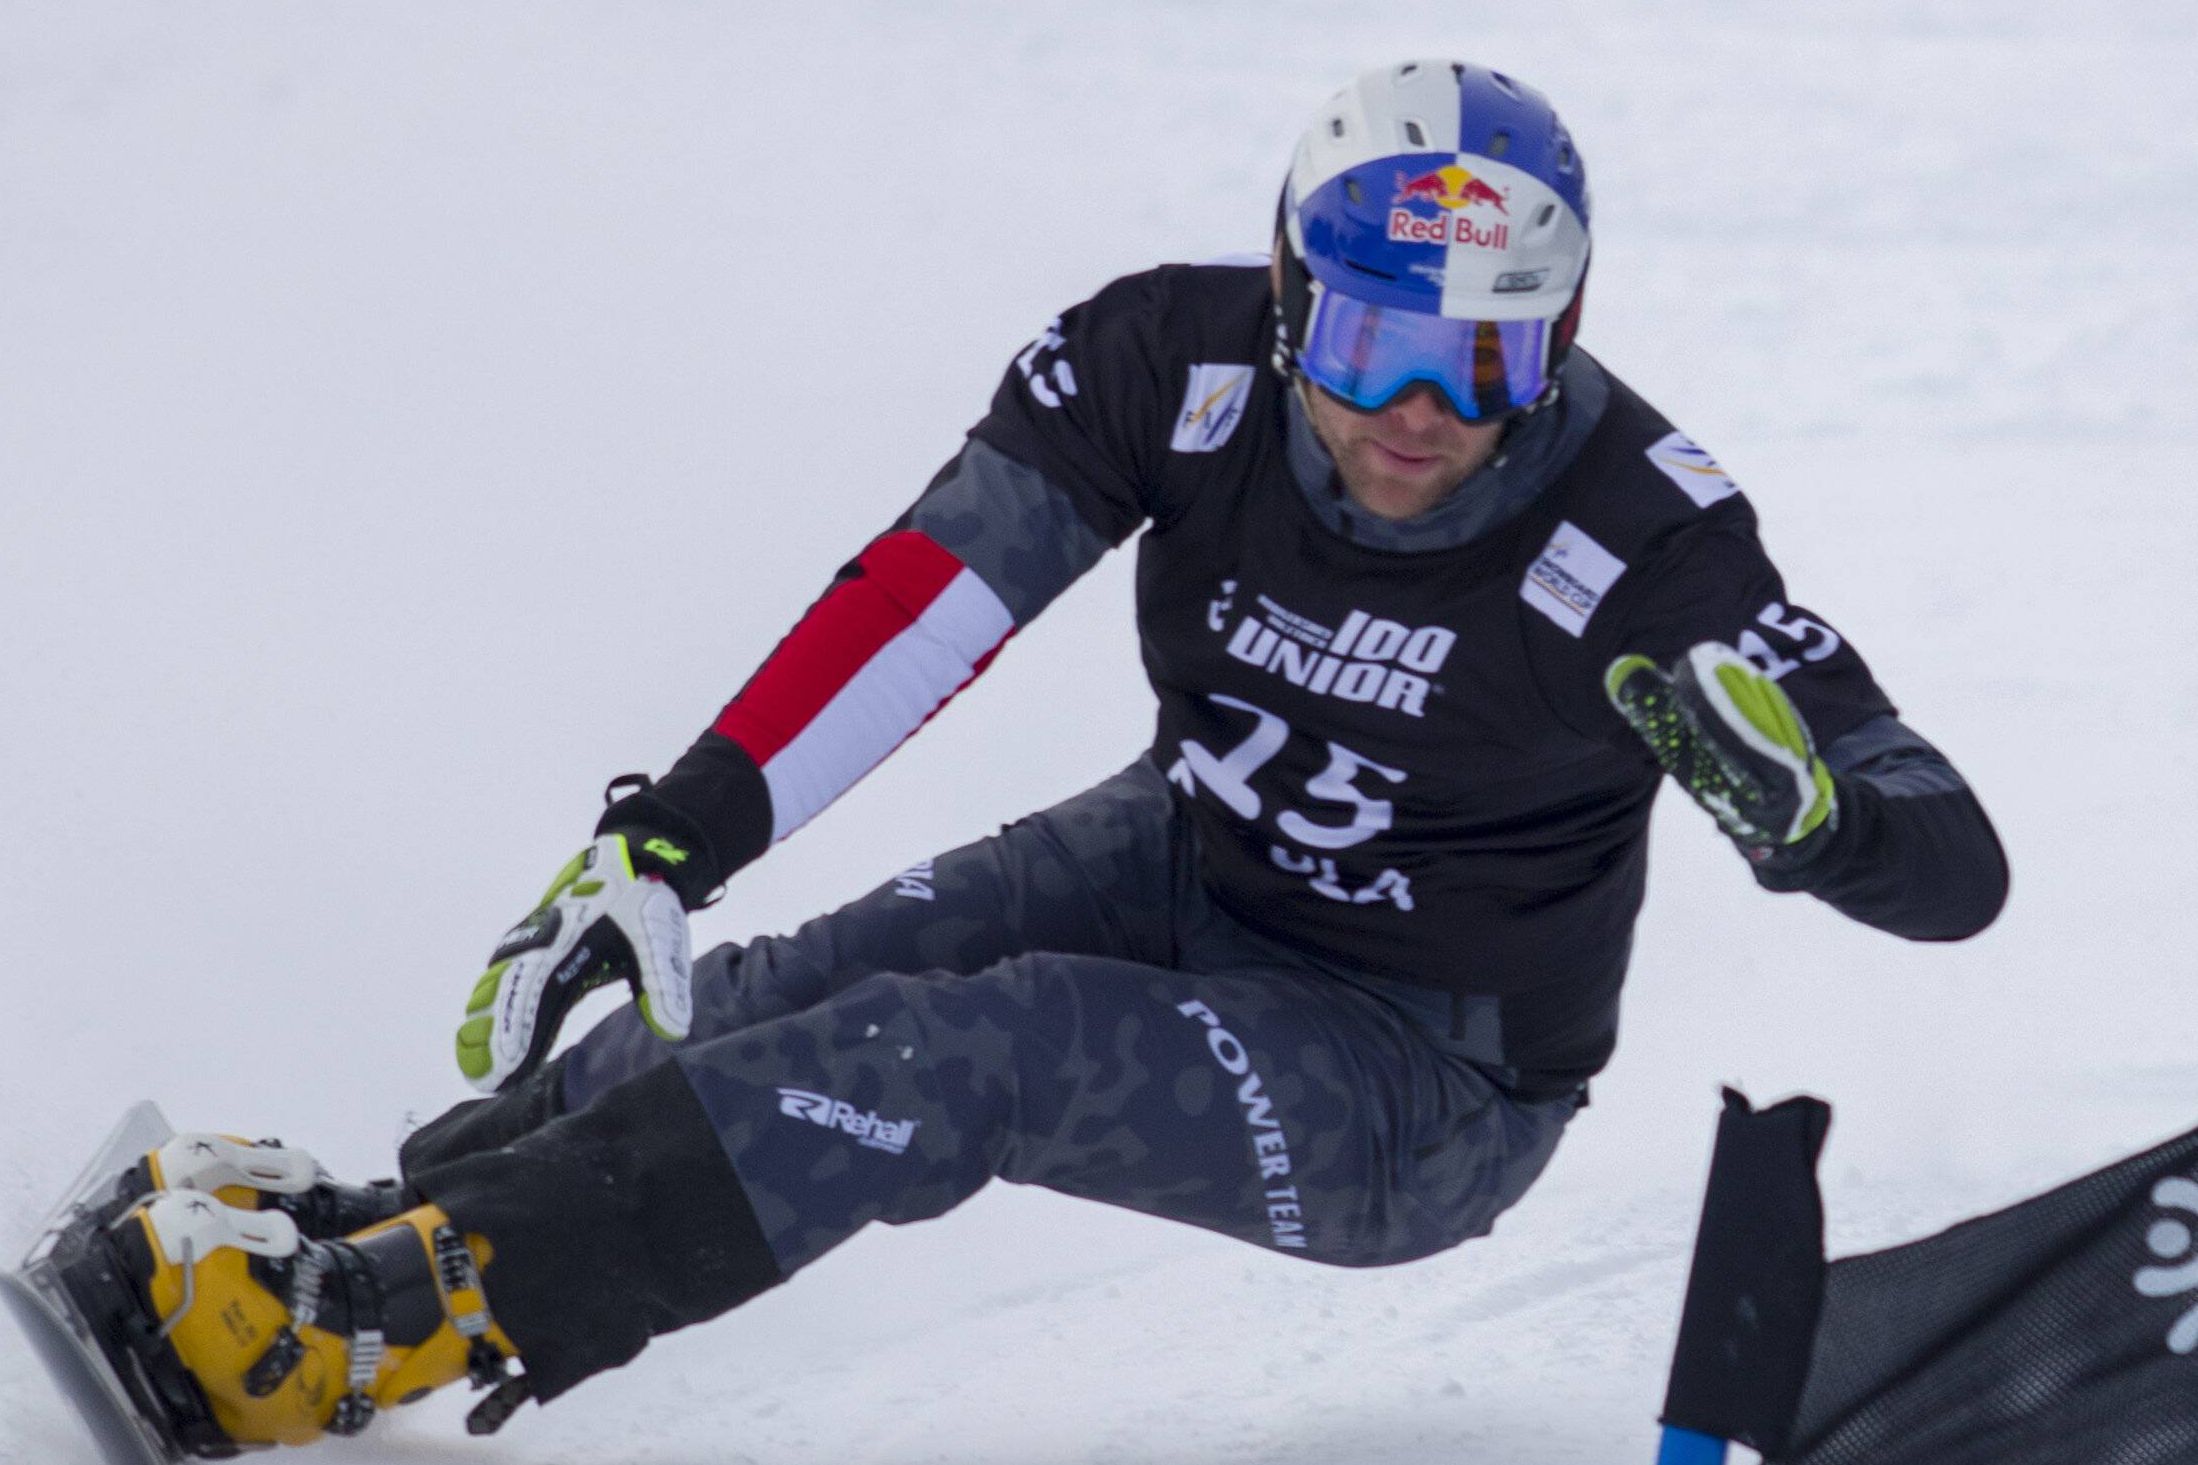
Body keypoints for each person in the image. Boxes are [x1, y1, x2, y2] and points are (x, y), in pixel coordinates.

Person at [92, 60, 2007, 1451]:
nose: (1418, 413)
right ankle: (382, 1232)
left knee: (951, 1060)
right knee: (779, 991)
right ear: (1286, 296)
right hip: (1187, 857)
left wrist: (1815, 818)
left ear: (1561, 341)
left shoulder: (1640, 537)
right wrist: (675, 839)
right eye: (1367, 343)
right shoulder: (1170, 363)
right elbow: (934, 594)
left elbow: (1954, 864)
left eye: (1487, 359)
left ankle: (376, 1328)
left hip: (1424, 1077)